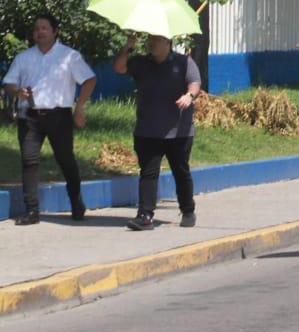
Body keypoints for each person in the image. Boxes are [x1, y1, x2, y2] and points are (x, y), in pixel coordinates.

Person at [3, 13, 95, 224]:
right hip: (30, 116)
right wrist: (17, 92)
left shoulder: (69, 56)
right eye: (36, 29)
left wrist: (79, 107)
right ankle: (32, 210)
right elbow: (8, 83)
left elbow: (89, 80)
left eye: (44, 28)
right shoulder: (23, 57)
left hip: (58, 116)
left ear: (54, 32)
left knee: (65, 160)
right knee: (29, 161)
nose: (40, 32)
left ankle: (75, 201)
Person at [113, 32, 201, 231]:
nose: (152, 43)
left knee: (181, 171)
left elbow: (195, 82)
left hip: (178, 131)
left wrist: (189, 96)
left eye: (157, 39)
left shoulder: (183, 62)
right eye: (150, 39)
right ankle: (145, 215)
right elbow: (118, 68)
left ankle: (188, 210)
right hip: (148, 129)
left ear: (168, 43)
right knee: (148, 173)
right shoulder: (141, 62)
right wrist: (128, 46)